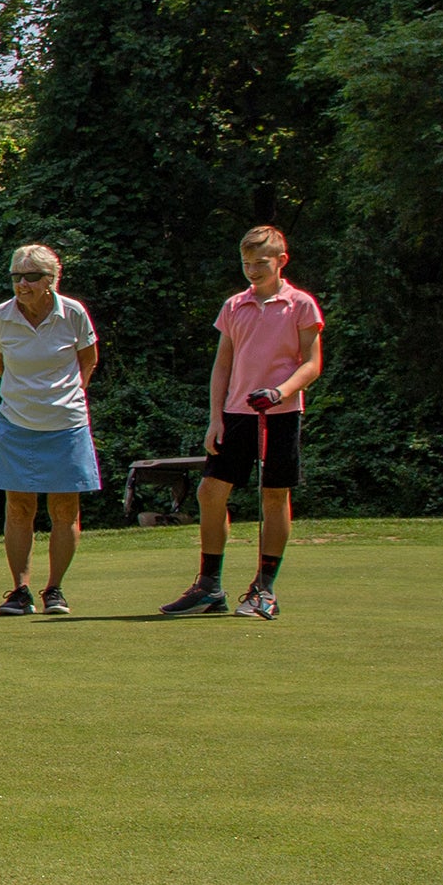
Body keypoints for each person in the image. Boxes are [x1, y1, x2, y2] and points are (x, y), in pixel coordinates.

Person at [159, 224, 326, 620]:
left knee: (273, 497)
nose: (252, 270)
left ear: (281, 261)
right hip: (235, 414)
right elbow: (222, 366)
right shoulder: (234, 306)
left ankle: (264, 589)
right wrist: (215, 418)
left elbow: (312, 363)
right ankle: (209, 586)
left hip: (280, 415)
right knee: (210, 493)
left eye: (261, 263)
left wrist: (281, 391)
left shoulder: (301, 305)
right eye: (246, 263)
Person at [0, 242, 101, 615]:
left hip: (66, 424)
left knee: (65, 508)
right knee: (19, 507)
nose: (23, 284)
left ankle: (55, 590)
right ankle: (20, 591)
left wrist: (63, 399)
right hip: (17, 423)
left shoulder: (73, 314)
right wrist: (29, 398)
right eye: (17, 276)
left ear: (51, 279)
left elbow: (88, 362)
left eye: (32, 277)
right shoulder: (1, 317)